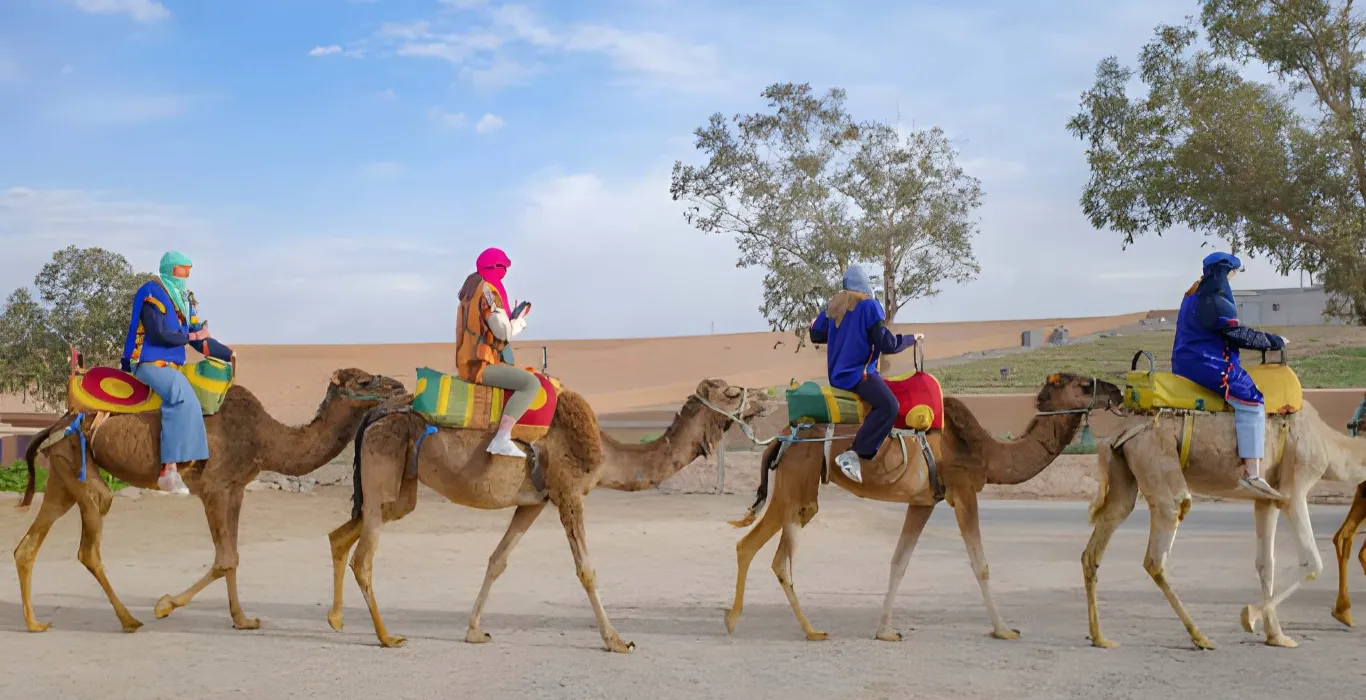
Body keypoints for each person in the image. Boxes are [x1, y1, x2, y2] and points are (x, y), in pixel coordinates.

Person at [1171, 251, 1287, 500]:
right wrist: (1273, 341)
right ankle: (1252, 473)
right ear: (1225, 272)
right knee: (1253, 399)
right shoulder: (1214, 298)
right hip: (1210, 363)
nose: (1233, 277)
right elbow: (1235, 335)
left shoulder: (1190, 296)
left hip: (1185, 363)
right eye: (1233, 272)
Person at [120, 251, 233, 494]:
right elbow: (158, 332)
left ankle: (195, 466)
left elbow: (197, 337)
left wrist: (226, 354)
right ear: (171, 269)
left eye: (189, 270)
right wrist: (192, 336)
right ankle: (168, 471)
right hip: (149, 362)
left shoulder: (184, 299)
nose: (186, 275)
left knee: (205, 391)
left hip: (174, 365)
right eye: (182, 269)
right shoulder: (152, 292)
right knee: (181, 395)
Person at [808, 265, 922, 483]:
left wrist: (815, 326)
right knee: (889, 406)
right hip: (860, 376)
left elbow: (816, 335)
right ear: (865, 286)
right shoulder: (869, 305)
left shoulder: (833, 306)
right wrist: (910, 339)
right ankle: (855, 454)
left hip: (837, 377)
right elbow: (886, 343)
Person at [455, 247, 541, 459]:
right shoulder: (488, 292)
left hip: (470, 360)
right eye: (503, 267)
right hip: (481, 365)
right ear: (495, 268)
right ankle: (502, 437)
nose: (505, 272)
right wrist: (519, 322)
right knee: (531, 384)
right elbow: (503, 332)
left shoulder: (470, 290)